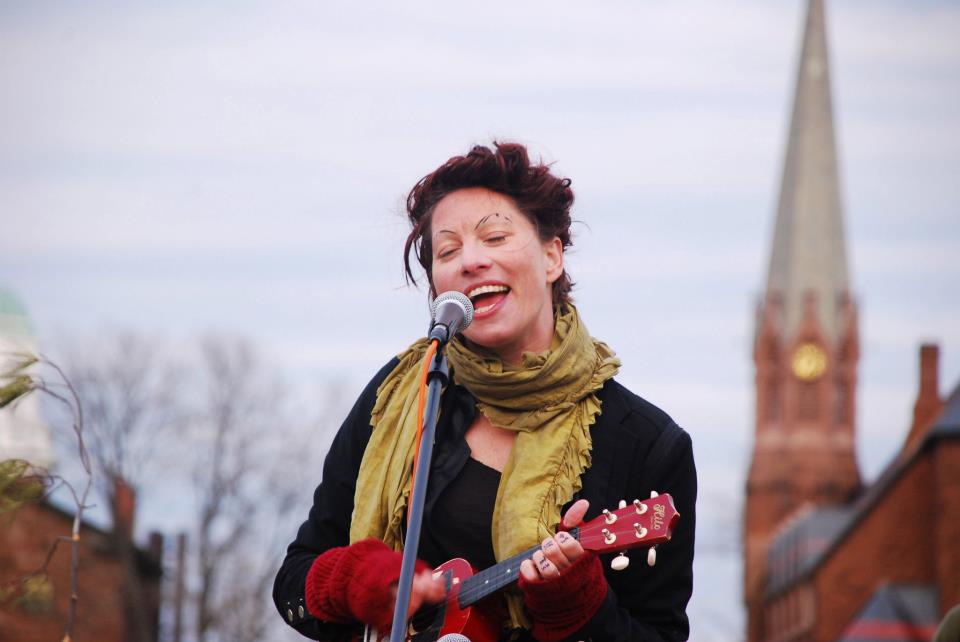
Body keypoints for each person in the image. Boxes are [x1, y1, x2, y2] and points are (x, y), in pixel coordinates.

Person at [273, 142, 697, 641]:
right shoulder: (401, 391)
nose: (470, 261)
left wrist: (578, 606)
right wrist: (357, 580)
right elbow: (294, 582)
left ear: (551, 256)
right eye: (447, 250)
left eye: (494, 236)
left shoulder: (647, 444)